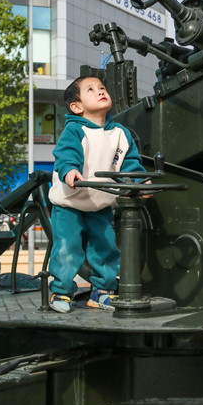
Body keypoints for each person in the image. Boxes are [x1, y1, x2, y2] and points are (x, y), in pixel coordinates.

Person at [47, 76, 146, 313]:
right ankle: (60, 292)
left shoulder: (121, 133)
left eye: (102, 87)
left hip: (101, 202)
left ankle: (102, 292)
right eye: (91, 90)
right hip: (70, 201)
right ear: (76, 106)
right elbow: (65, 155)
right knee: (67, 248)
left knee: (106, 247)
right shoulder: (75, 129)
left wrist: (140, 181)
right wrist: (70, 171)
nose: (100, 91)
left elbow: (130, 162)